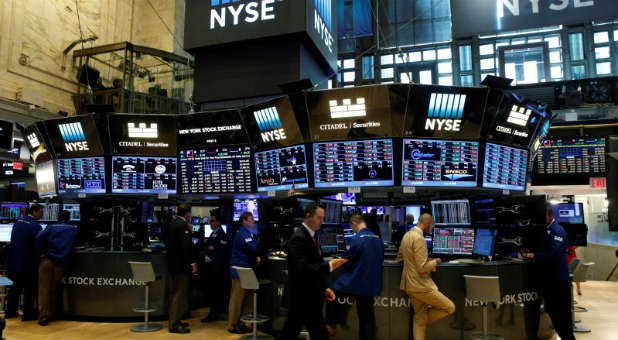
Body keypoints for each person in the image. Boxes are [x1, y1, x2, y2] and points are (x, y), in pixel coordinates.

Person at [276, 203, 348, 340]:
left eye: (323, 218)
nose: (322, 221)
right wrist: (329, 266)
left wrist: (325, 287)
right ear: (308, 216)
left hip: (309, 297)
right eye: (319, 218)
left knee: (296, 333)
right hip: (300, 298)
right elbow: (302, 269)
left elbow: (314, 265)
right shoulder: (298, 238)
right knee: (292, 333)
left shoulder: (312, 236)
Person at [397, 213, 455, 340]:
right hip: (420, 286)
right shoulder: (419, 239)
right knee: (449, 307)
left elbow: (400, 256)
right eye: (431, 227)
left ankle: (421, 321)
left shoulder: (407, 235)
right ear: (427, 224)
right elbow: (421, 268)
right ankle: (423, 321)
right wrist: (436, 261)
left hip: (408, 283)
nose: (431, 230)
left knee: (419, 316)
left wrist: (423, 258)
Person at [524, 203, 576, 340]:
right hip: (549, 282)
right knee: (554, 316)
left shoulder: (557, 231)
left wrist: (534, 255)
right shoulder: (544, 230)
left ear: (550, 215)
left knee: (562, 322)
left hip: (558, 282)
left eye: (542, 216)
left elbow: (554, 254)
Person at [329, 214, 384, 340]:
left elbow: (349, 262)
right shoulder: (378, 238)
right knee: (367, 318)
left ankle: (330, 323)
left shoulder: (357, 239)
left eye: (352, 227)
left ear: (354, 224)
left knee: (331, 291)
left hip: (358, 283)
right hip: (372, 285)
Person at [34, 210, 77, 326]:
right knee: (53, 289)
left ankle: (42, 317)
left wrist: (41, 252)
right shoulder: (73, 229)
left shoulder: (50, 227)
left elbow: (38, 238)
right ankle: (50, 314)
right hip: (60, 263)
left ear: (58, 217)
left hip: (47, 261)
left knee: (43, 289)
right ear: (69, 218)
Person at [5, 203, 44, 321]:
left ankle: (10, 312)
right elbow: (38, 247)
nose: (42, 215)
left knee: (15, 289)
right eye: (41, 212)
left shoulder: (17, 223)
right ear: (35, 211)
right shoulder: (36, 227)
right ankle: (28, 314)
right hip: (27, 264)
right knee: (30, 290)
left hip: (12, 262)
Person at [165, 204, 197, 334]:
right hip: (181, 267)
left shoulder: (172, 224)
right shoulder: (182, 226)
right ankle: (174, 325)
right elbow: (186, 248)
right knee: (178, 295)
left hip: (173, 265)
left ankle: (176, 320)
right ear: (187, 214)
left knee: (176, 294)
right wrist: (193, 263)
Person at [228, 212, 259, 334]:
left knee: (248, 298)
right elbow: (253, 248)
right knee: (237, 299)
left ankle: (246, 322)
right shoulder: (243, 233)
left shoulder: (248, 233)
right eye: (251, 219)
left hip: (247, 270)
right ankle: (232, 325)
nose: (253, 221)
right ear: (244, 221)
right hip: (240, 270)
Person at [201, 208, 230, 323]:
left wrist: (211, 250)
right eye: (210, 221)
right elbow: (209, 249)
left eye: (212, 221)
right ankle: (215, 312)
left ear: (218, 222)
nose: (210, 223)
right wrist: (210, 250)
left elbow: (220, 254)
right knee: (213, 293)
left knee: (216, 294)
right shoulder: (214, 234)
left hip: (218, 270)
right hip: (212, 269)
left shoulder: (222, 236)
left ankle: (213, 314)